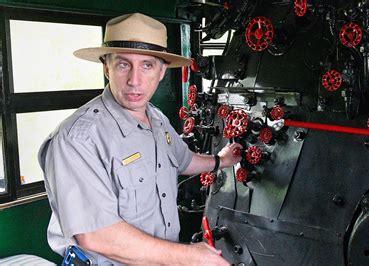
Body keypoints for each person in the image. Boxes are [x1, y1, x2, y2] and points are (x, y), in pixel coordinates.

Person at [38, 13, 241, 265]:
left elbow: (183, 160)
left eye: (147, 65)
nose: (134, 80)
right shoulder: (76, 138)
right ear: (106, 67)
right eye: (123, 64)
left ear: (162, 71)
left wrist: (220, 160)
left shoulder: (156, 119)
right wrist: (189, 256)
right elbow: (96, 235)